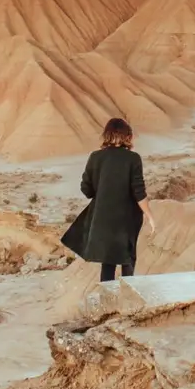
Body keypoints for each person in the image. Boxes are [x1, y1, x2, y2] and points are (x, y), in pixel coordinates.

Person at [60, 117, 151, 282]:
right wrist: (150, 216)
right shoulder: (133, 158)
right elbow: (139, 192)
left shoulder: (95, 157)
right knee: (128, 259)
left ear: (106, 135)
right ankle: (127, 294)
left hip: (103, 219)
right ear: (128, 136)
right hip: (127, 219)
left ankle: (107, 296)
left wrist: (103, 190)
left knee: (108, 262)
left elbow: (86, 189)